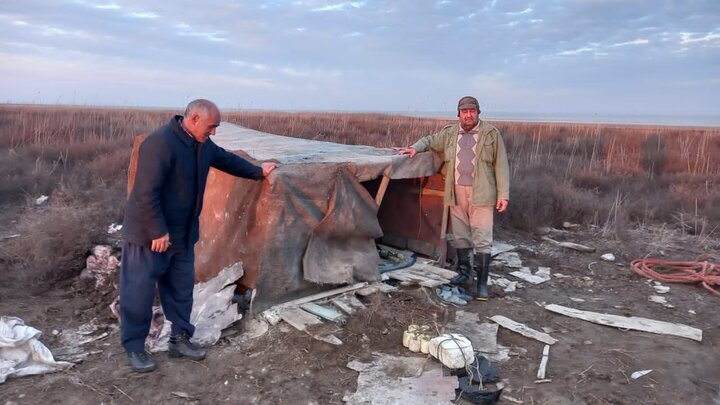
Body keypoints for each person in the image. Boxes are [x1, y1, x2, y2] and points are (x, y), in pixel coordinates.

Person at [120, 99, 277, 373]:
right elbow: (145, 193)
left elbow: (226, 160)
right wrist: (157, 230)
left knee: (181, 291)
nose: (214, 132)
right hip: (149, 236)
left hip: (182, 235)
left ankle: (179, 340)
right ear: (193, 119)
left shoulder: (202, 145)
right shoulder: (159, 144)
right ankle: (134, 348)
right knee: (139, 293)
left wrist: (258, 172)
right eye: (211, 126)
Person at [397, 96, 509, 301]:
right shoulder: (449, 134)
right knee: (461, 236)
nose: (469, 115)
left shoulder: (491, 134)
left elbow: (501, 166)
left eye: (472, 111)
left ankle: (482, 285)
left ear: (478, 113)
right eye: (464, 111)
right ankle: (465, 275)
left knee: (482, 237)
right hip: (456, 192)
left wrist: (503, 195)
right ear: (459, 114)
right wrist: (415, 147)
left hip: (482, 193)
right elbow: (430, 141)